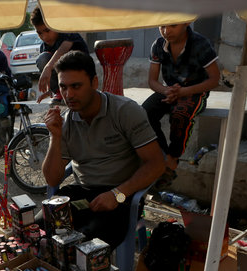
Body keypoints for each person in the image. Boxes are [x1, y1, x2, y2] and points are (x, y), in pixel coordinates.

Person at [42, 51, 165, 248]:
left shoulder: (125, 111)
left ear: (94, 83)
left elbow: (156, 164)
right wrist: (55, 137)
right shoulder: (65, 122)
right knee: (38, 232)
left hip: (123, 196)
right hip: (83, 192)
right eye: (63, 87)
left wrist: (117, 194)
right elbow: (52, 179)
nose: (69, 95)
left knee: (86, 248)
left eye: (76, 86)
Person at [142, 23, 219, 187]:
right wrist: (166, 91)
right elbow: (152, 81)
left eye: (173, 26)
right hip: (168, 91)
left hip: (195, 92)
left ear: (186, 23)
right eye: (162, 26)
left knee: (180, 114)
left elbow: (214, 80)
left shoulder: (200, 44)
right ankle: (161, 156)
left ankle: (172, 159)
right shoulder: (158, 45)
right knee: (144, 113)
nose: (166, 31)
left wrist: (183, 92)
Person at [30, 6, 89, 104]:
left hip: (81, 74)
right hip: (64, 83)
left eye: (47, 30)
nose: (44, 37)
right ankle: (59, 92)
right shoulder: (44, 47)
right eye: (39, 33)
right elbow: (52, 74)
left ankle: (70, 90)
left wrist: (48, 67)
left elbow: (64, 49)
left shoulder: (67, 32)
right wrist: (50, 90)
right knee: (43, 58)